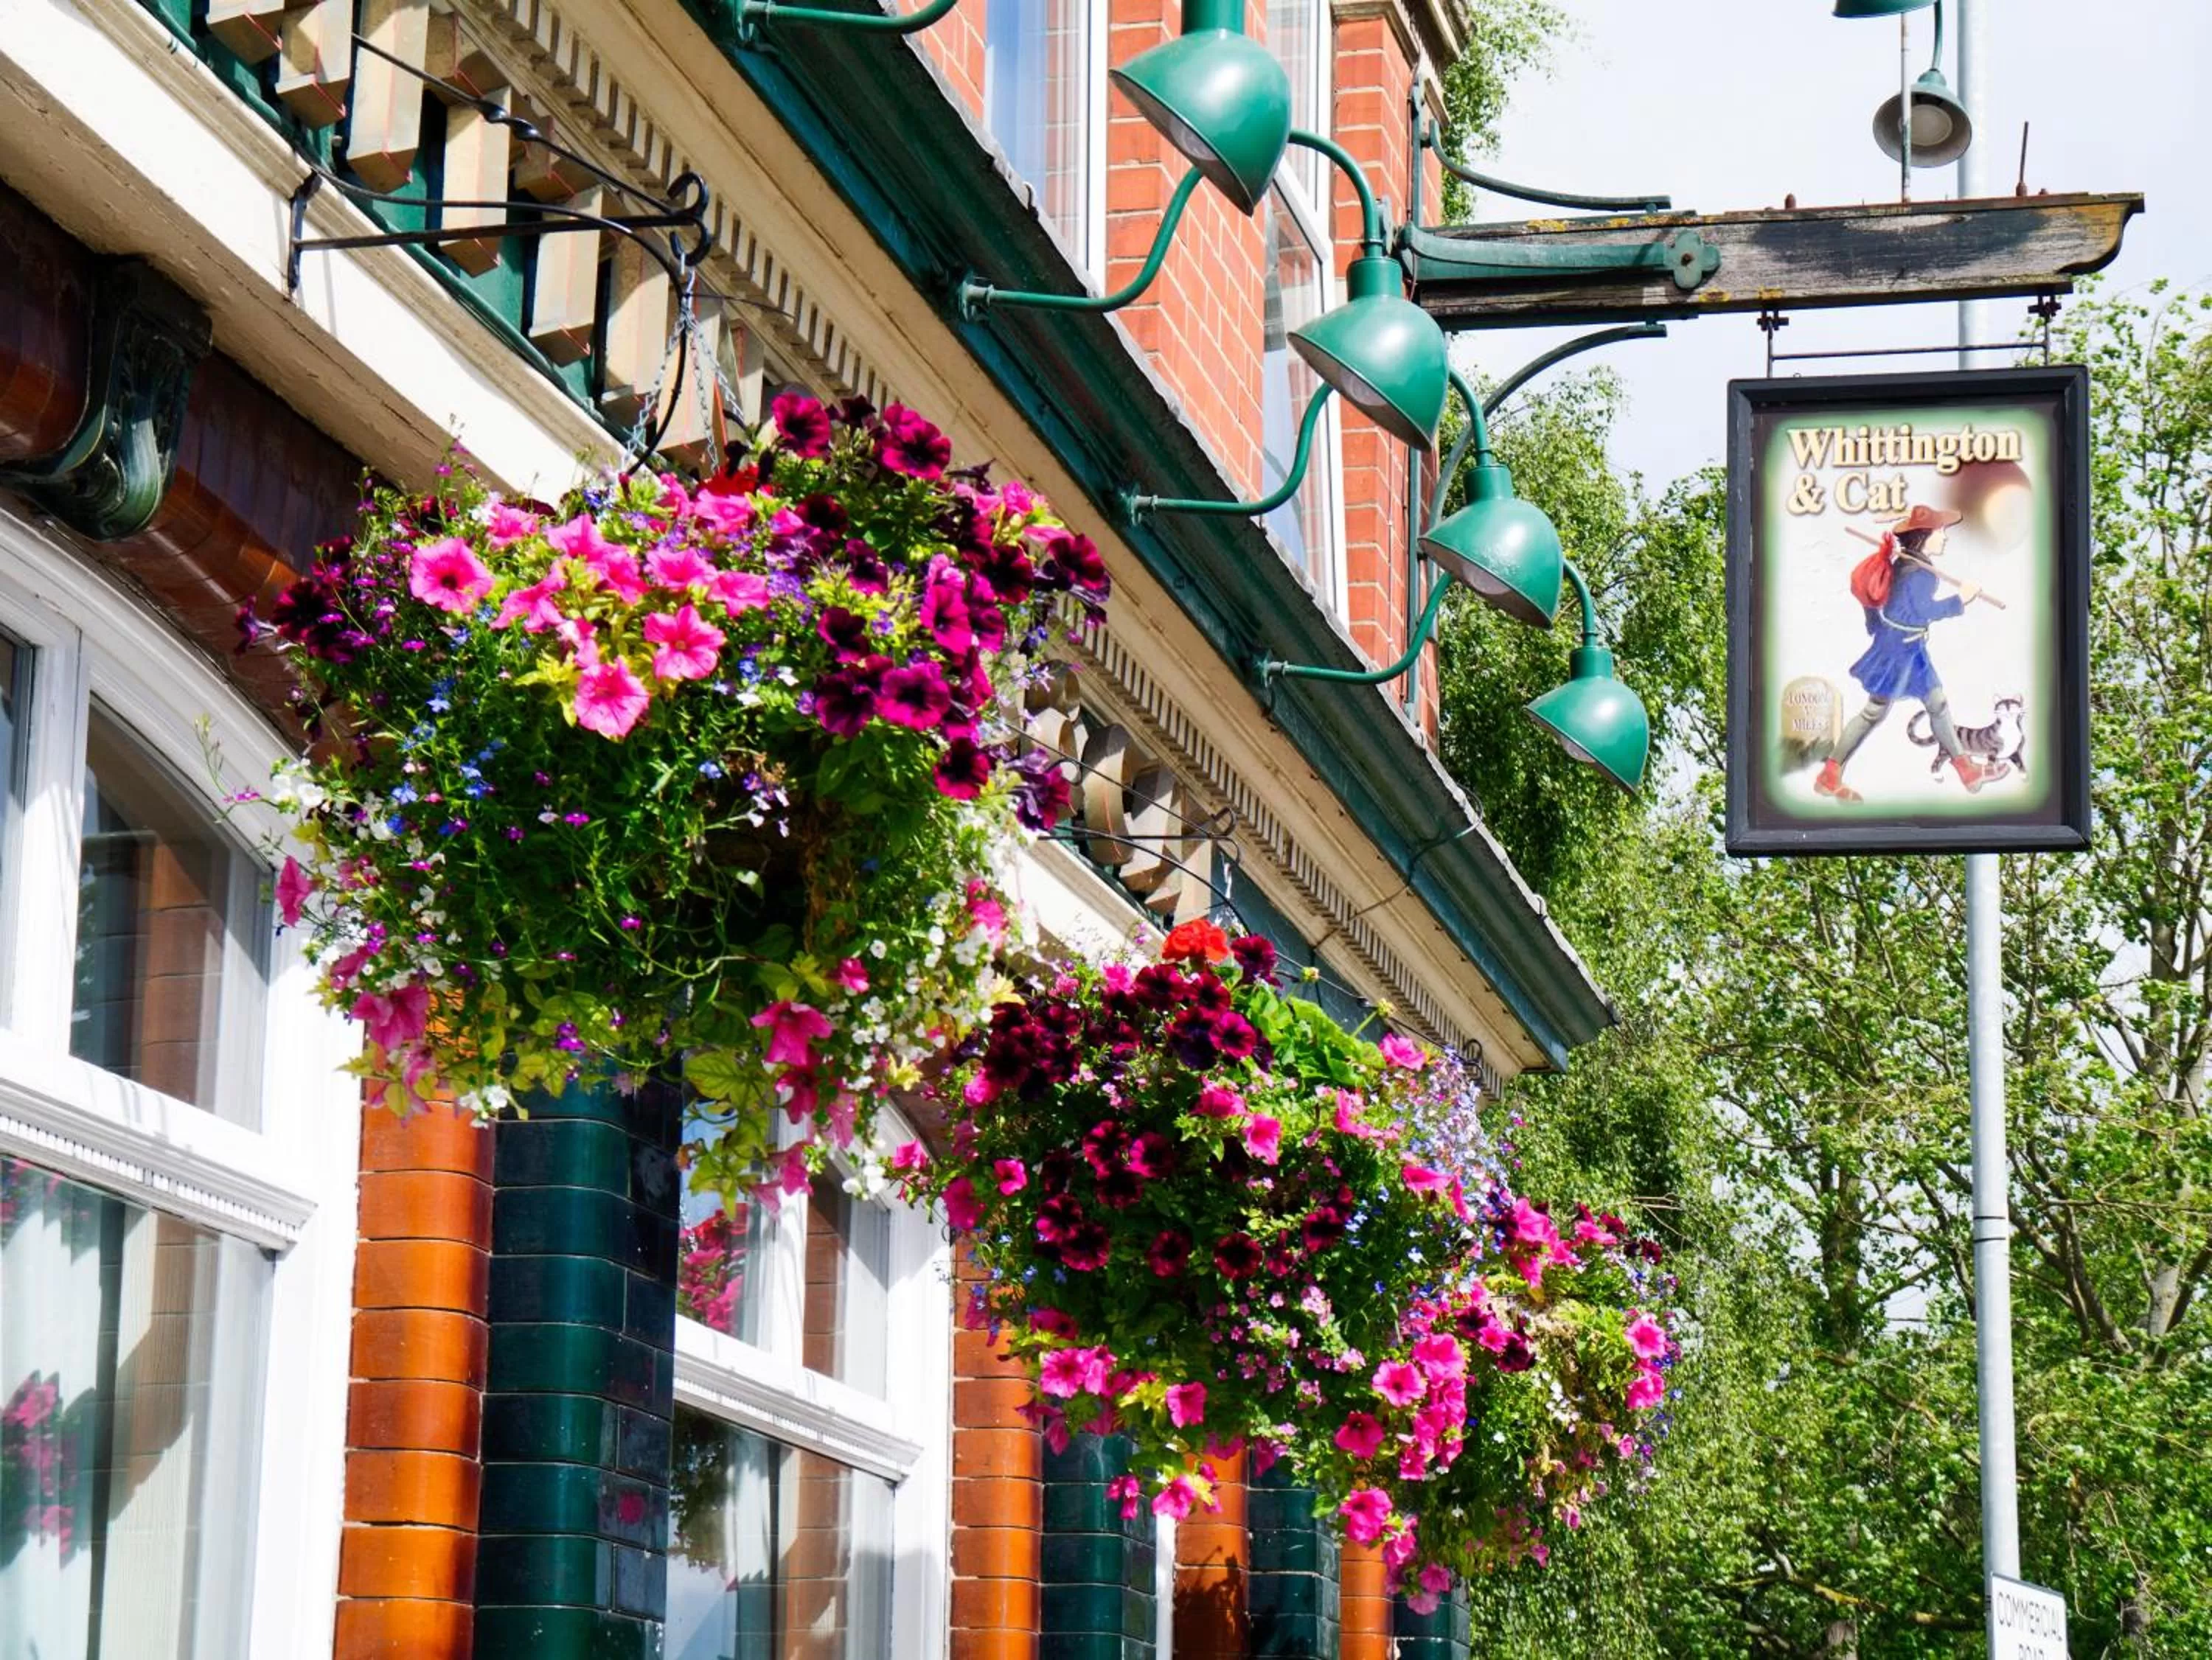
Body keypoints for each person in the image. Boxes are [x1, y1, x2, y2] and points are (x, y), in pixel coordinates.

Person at [1815, 502, 1999, 800]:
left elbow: (1888, 607)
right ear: (1925, 537)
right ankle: (1830, 773)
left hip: (1900, 646)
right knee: (1884, 710)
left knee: (1928, 704)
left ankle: (1965, 769)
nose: (1946, 537)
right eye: (1941, 532)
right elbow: (1921, 612)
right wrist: (1961, 599)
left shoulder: (1904, 564)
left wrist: (1878, 628)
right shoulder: (1920, 573)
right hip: (1902, 652)